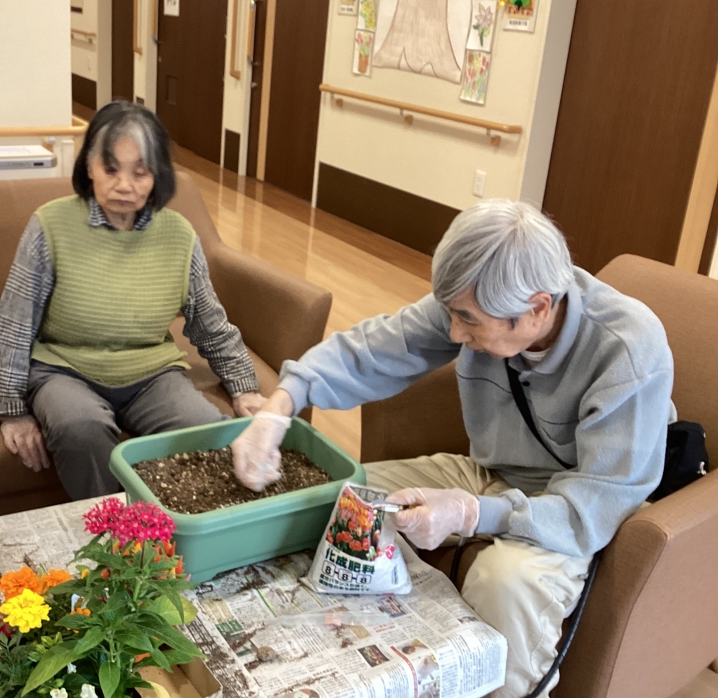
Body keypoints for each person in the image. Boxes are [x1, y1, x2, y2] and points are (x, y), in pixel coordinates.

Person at [231, 200, 674, 698]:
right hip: (492, 471)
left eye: (469, 320)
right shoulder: (484, 296)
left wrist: (469, 513)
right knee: (348, 501)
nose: (454, 334)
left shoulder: (628, 347)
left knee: (504, 581)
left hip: (573, 507)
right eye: (451, 314)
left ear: (538, 309)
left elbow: (592, 507)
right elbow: (375, 347)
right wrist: (281, 405)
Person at [0, 101, 266, 500]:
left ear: (158, 176)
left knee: (208, 431)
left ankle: (172, 528)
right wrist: (12, 411)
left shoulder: (178, 234)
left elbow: (208, 320)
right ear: (89, 167)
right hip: (64, 369)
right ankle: (117, 535)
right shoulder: (50, 224)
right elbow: (14, 322)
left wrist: (243, 386)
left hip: (151, 375)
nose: (125, 185)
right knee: (78, 427)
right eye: (111, 169)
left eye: (140, 172)